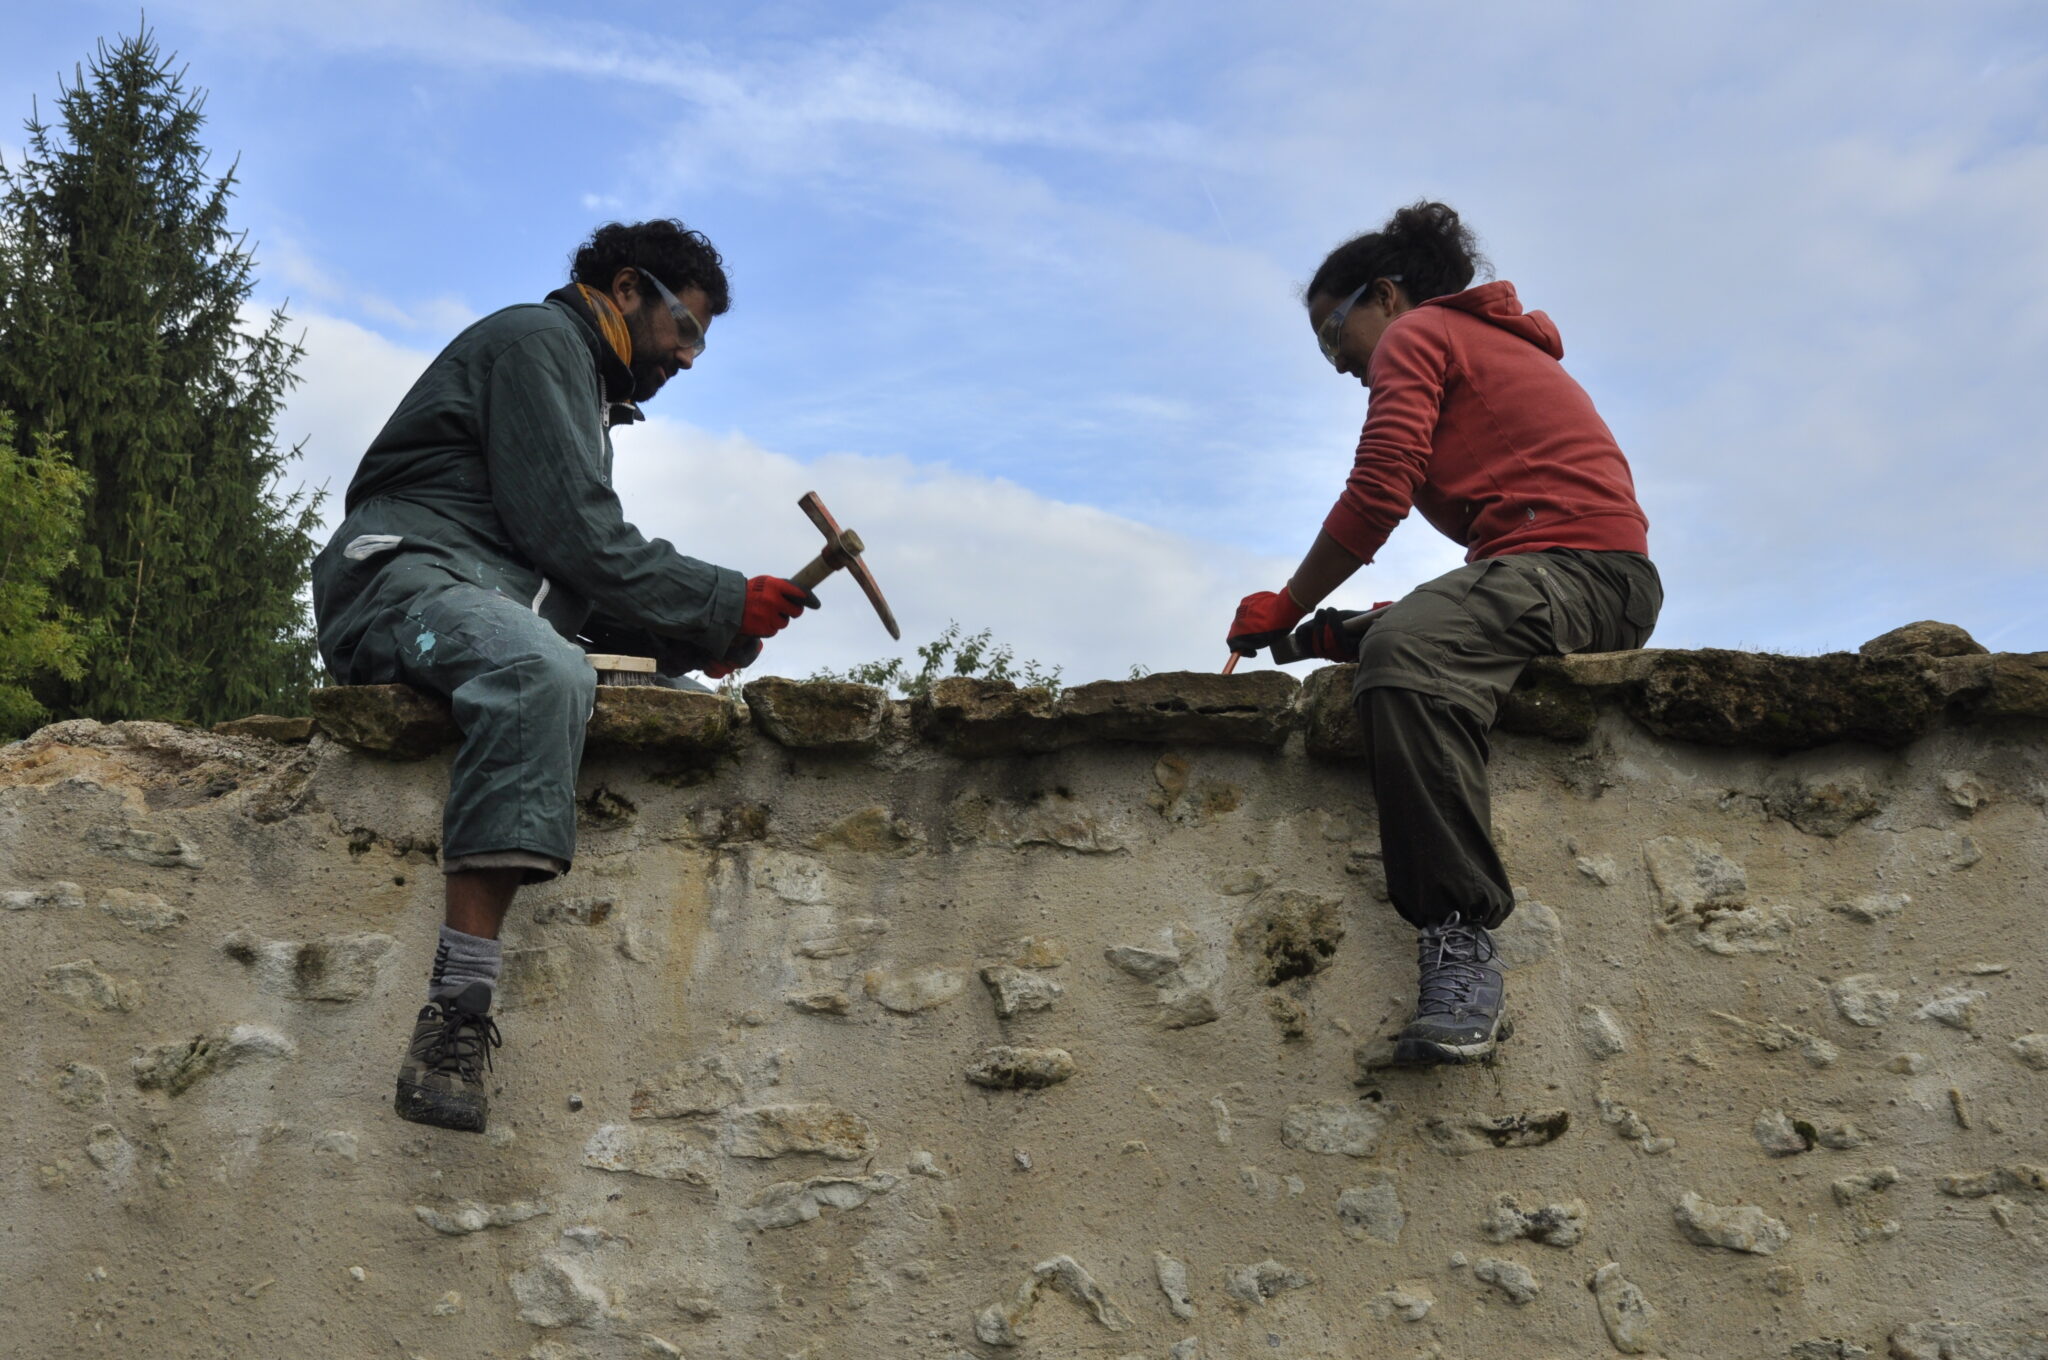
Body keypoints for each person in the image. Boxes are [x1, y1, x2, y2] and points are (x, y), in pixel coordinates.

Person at [311, 219, 817, 1132]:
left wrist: (691, 639)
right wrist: (719, 601)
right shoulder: (541, 343)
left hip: (480, 592)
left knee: (682, 705)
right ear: (627, 290)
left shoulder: (582, 391)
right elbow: (578, 535)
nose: (692, 359)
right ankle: (455, 1014)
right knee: (540, 672)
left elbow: (563, 571)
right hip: (400, 579)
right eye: (688, 330)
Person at [1227, 201, 1660, 1066]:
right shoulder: (1470, 342)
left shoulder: (1417, 334)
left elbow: (1380, 491)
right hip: (1560, 571)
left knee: (1407, 651)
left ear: (1383, 296)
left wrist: (1286, 598)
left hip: (1582, 571)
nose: (1337, 363)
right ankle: (1360, 633)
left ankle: (1461, 940)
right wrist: (1328, 625)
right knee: (1382, 631)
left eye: (1330, 333)